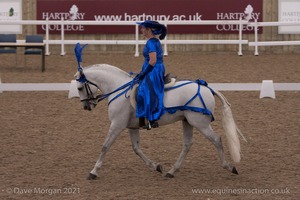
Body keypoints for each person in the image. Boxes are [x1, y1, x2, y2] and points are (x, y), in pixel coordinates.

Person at [135, 20, 167, 130]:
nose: (141, 30)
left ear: (148, 30)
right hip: (154, 67)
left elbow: (152, 61)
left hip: (154, 69)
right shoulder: (153, 41)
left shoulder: (151, 43)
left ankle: (151, 119)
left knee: (143, 91)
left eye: (143, 28)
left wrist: (144, 72)